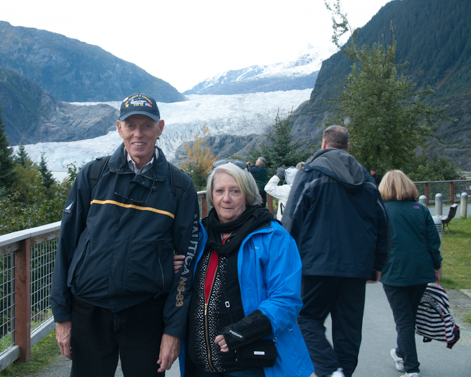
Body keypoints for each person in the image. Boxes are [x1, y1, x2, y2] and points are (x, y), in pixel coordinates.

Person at [50, 93, 200, 377]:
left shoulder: (180, 186)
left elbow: (187, 263)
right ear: (119, 128)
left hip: (146, 312)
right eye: (131, 126)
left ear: (160, 128)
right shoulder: (93, 175)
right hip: (89, 308)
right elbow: (66, 245)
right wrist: (62, 316)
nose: (138, 134)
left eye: (146, 125)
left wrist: (173, 329)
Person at [180, 159, 314, 377]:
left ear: (248, 194)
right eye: (220, 190)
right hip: (202, 363)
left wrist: (244, 330)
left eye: (235, 191)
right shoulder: (200, 235)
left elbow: (286, 298)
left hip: (249, 361)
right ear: (211, 195)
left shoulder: (273, 236)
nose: (226, 198)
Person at [282, 125, 389, 377]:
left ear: (323, 144)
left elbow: (292, 218)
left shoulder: (310, 173)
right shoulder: (366, 179)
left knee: (304, 319)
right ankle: (343, 373)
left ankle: (329, 371)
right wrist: (377, 264)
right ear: (348, 147)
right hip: (356, 266)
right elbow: (382, 222)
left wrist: (285, 262)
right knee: (349, 328)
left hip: (316, 263)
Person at [379, 170, 442, 377]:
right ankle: (399, 352)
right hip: (420, 270)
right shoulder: (421, 210)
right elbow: (433, 242)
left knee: (404, 319)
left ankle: (411, 367)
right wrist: (436, 264)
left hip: (394, 271)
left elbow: (374, 242)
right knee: (409, 316)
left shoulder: (381, 211)